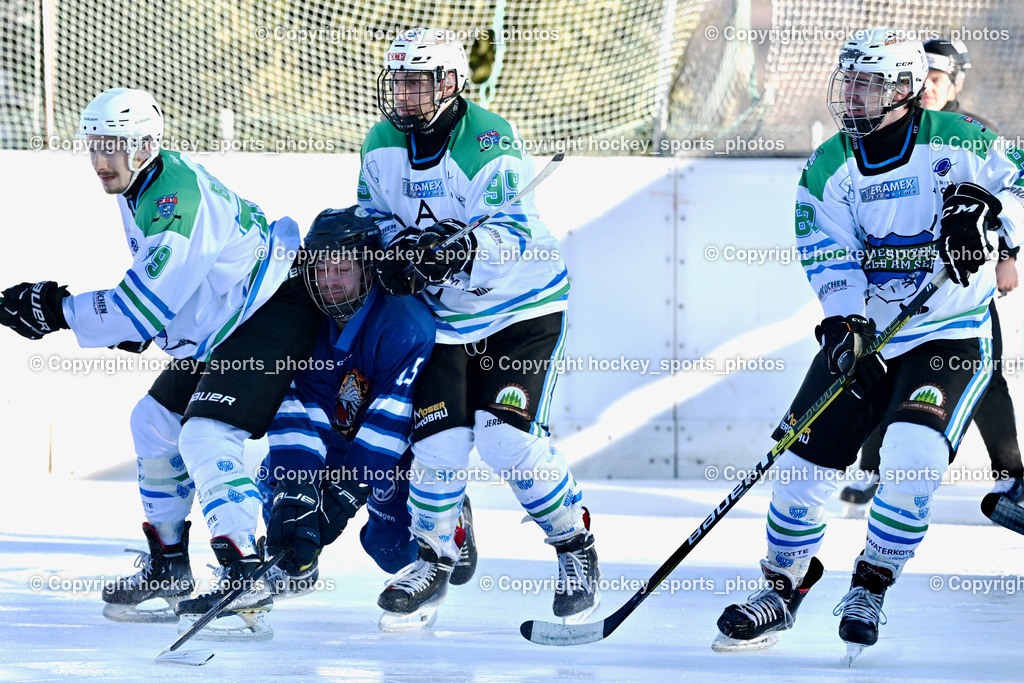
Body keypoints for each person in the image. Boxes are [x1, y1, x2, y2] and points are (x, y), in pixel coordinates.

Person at [711, 28, 1022, 662]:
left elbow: (1019, 181)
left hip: (948, 335)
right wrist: (844, 322)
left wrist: (986, 210)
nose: (852, 94)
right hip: (872, 334)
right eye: (848, 81)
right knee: (799, 469)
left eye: (868, 84)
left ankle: (870, 586)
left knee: (912, 458)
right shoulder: (829, 164)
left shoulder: (961, 140)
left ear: (905, 89)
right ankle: (783, 587)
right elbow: (828, 253)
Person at [0, 88, 323, 637]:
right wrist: (130, 325)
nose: (100, 159)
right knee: (152, 423)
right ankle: (170, 565)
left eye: (113, 146)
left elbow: (142, 305)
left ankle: (245, 572)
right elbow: (162, 295)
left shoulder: (175, 197)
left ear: (145, 146)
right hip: (229, 319)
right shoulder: (141, 185)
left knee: (205, 434)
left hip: (270, 308)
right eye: (94, 145)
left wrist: (54, 308)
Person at [358, 27, 601, 631]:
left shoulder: (489, 140)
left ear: (450, 83)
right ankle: (432, 559)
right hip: (447, 321)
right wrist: (397, 249)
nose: (405, 95)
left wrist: (460, 251)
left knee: (504, 440)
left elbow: (512, 235)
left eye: (418, 83)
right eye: (399, 83)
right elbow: (372, 215)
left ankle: (575, 547)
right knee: (436, 447)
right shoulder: (381, 142)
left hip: (521, 309)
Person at [252, 206, 478, 601]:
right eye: (321, 269)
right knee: (277, 482)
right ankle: (297, 564)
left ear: (369, 268)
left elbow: (392, 415)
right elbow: (299, 402)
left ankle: (451, 517)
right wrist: (298, 486)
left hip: (393, 450)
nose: (329, 281)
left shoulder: (405, 322)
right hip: (337, 435)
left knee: (389, 551)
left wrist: (346, 491)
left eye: (342, 268)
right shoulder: (300, 316)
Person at [839, 38, 1024, 516]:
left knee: (985, 373)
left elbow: (1007, 195)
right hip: (898, 291)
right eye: (925, 79)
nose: (930, 89)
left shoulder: (967, 133)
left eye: (940, 80)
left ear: (955, 86)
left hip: (958, 291)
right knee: (883, 366)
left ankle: (1012, 476)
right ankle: (872, 466)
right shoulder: (888, 132)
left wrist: (1007, 256)